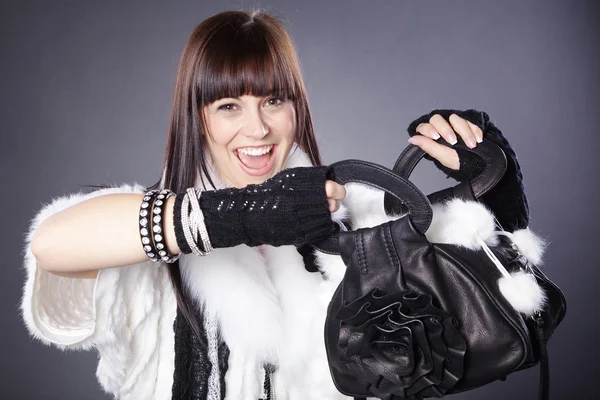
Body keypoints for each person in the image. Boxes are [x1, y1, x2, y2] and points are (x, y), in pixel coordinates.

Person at [19, 9, 534, 400]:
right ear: (196, 119)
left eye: (273, 101)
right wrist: (249, 212)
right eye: (228, 106)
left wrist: (492, 178)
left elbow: (485, 292)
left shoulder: (354, 220)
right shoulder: (144, 230)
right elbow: (52, 243)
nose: (258, 128)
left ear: (296, 106)